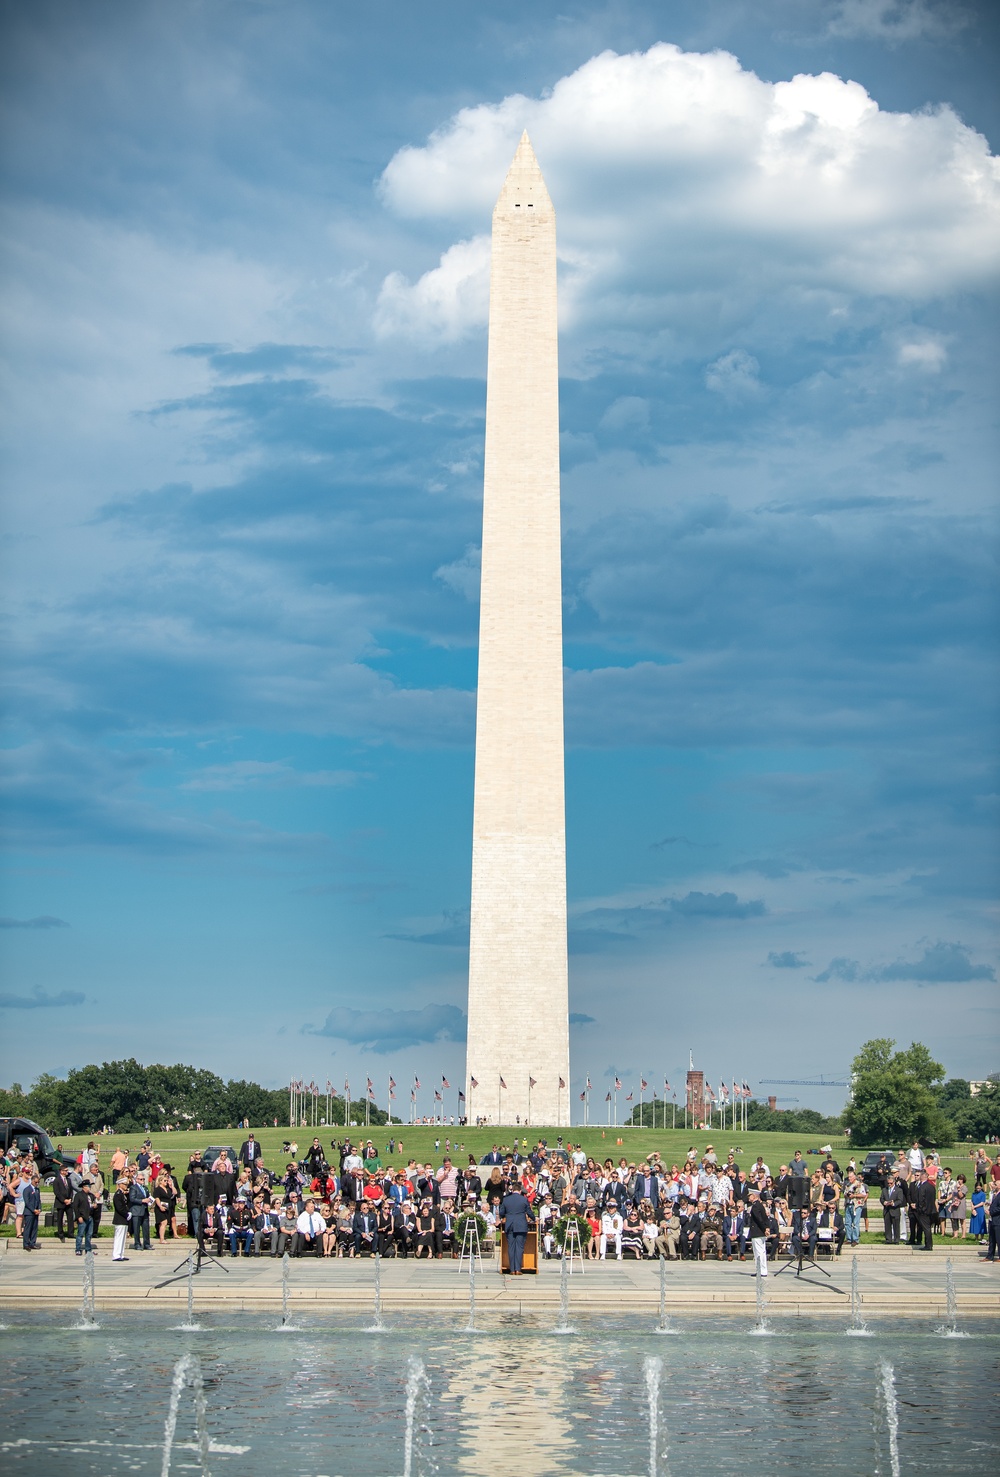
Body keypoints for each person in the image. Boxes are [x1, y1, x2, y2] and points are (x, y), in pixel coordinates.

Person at [499, 1182, 534, 1275]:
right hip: (521, 1225)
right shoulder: (523, 1199)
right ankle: (518, 1269)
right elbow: (529, 1212)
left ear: (512, 1190)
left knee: (511, 1247)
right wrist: (534, 1218)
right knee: (519, 1247)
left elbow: (501, 1213)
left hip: (509, 1225)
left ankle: (512, 1270)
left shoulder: (506, 1199)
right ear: (520, 1190)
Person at [748, 1187, 770, 1277]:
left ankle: (761, 1270)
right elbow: (765, 1218)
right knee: (762, 1251)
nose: (748, 1198)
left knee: (758, 1252)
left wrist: (764, 1228)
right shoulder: (760, 1205)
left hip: (757, 1231)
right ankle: (762, 1270)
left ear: (754, 1196)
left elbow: (759, 1219)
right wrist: (766, 1227)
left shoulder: (755, 1206)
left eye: (750, 1196)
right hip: (760, 1231)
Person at [914, 1169, 937, 1251]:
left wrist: (920, 1209)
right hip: (932, 1210)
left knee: (926, 1228)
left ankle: (928, 1245)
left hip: (924, 1211)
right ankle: (929, 1244)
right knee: (928, 1228)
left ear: (922, 1177)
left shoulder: (922, 1187)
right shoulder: (932, 1186)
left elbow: (921, 1200)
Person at [881, 1173, 905, 1244]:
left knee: (896, 1226)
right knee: (887, 1225)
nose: (889, 1185)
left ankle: (896, 1240)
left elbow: (900, 1200)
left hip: (895, 1210)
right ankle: (888, 1239)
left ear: (894, 1182)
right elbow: (881, 1198)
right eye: (888, 1183)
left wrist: (893, 1203)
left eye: (891, 1183)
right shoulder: (884, 1190)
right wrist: (884, 1202)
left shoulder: (899, 1190)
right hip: (887, 1210)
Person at [52, 1164, 75, 1242]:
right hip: (60, 1202)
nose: (67, 1172)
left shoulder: (68, 1180)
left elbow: (71, 1190)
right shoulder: (57, 1180)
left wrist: (70, 1199)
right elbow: (57, 1192)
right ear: (61, 1171)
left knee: (70, 1217)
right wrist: (63, 1200)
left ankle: (70, 1233)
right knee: (60, 1218)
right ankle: (60, 1233)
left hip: (69, 1202)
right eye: (65, 1170)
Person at [111, 1175, 131, 1261]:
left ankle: (121, 1254)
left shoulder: (123, 1194)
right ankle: (116, 1255)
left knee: (123, 1238)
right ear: (120, 1184)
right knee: (119, 1238)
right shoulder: (118, 1195)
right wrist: (126, 1214)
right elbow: (119, 1208)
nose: (126, 1186)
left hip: (124, 1220)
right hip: (120, 1219)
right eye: (124, 1184)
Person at [21, 1173, 41, 1251]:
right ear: (32, 1181)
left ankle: (32, 1243)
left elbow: (38, 1200)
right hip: (29, 1212)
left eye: (38, 1182)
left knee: (34, 1228)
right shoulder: (27, 1190)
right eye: (35, 1182)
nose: (37, 1184)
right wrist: (33, 1210)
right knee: (28, 1228)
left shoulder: (37, 1190)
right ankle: (26, 1244)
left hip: (36, 1212)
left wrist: (39, 1209)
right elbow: (27, 1202)